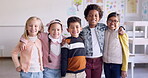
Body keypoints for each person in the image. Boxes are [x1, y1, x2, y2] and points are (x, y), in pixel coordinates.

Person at [80, 4, 125, 78]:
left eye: (95, 15)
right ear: (86, 18)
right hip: (86, 60)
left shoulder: (103, 27)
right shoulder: (83, 31)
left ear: (100, 17)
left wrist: (122, 28)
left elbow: (113, 26)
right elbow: (76, 37)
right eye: (90, 15)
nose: (93, 17)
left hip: (99, 60)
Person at [103, 12, 129, 78]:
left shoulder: (121, 34)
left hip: (117, 65)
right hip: (106, 63)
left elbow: (126, 52)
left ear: (119, 23)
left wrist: (124, 69)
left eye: (115, 21)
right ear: (106, 22)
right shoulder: (104, 31)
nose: (112, 23)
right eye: (110, 20)